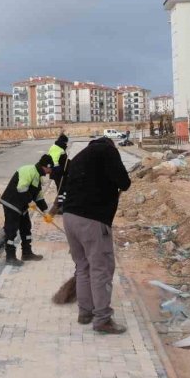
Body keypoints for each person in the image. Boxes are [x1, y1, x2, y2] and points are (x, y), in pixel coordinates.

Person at [57, 136, 131, 334]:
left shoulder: (80, 156)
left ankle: (85, 312)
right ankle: (103, 319)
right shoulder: (107, 151)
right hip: (92, 220)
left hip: (69, 218)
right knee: (101, 268)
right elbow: (124, 182)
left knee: (83, 266)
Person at [0, 154, 55, 266]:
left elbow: (38, 196)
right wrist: (29, 201)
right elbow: (21, 188)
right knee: (11, 230)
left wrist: (45, 212)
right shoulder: (28, 170)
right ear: (46, 166)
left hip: (22, 206)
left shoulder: (38, 176)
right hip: (12, 203)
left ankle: (27, 253)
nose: (51, 171)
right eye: (50, 168)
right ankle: (10, 257)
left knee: (26, 228)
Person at [48, 134, 69, 212]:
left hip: (59, 172)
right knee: (61, 189)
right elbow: (55, 162)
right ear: (63, 141)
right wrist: (61, 171)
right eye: (66, 142)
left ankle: (62, 204)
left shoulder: (57, 147)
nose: (66, 144)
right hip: (58, 173)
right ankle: (60, 206)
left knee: (62, 189)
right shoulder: (57, 148)